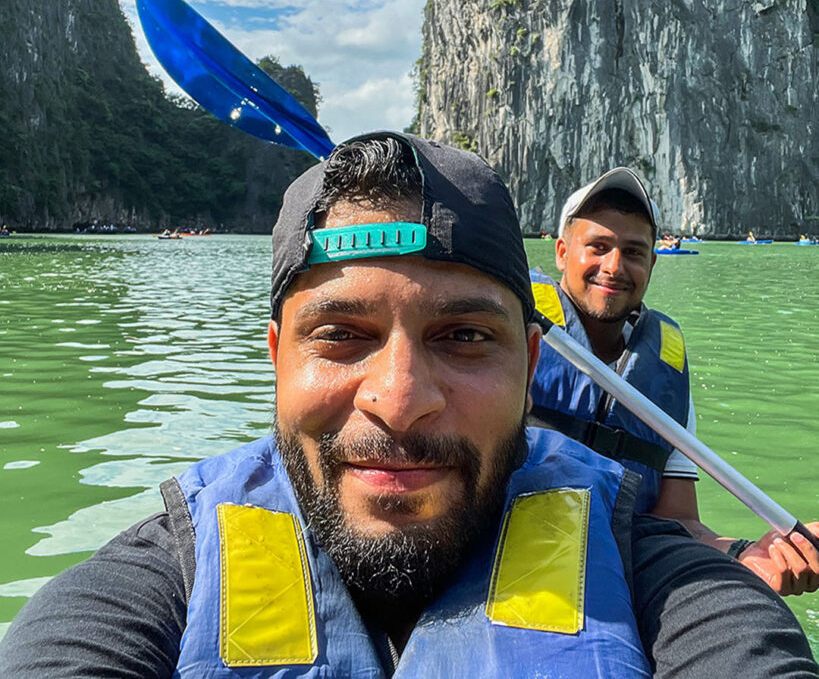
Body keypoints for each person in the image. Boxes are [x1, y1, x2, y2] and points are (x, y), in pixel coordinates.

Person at [1, 134, 816, 678]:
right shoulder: (154, 579)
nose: (399, 401)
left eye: (463, 336)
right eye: (340, 334)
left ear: (528, 366)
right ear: (276, 355)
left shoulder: (655, 572)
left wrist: (745, 555)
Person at [529, 167, 819, 597]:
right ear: (561, 252)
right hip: (514, 555)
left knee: (760, 626)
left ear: (652, 262)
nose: (614, 267)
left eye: (633, 251)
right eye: (598, 247)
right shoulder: (510, 337)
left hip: (631, 569)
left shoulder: (666, 374)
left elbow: (679, 523)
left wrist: (746, 554)